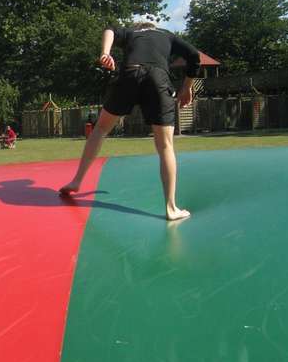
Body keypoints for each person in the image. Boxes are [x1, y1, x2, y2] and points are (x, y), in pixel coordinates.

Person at [59, 22, 200, 221]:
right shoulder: (166, 34)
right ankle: (171, 208)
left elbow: (109, 29)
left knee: (100, 129)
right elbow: (194, 55)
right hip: (157, 79)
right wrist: (186, 87)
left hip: (129, 74)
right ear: (154, 27)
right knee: (165, 146)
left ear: (139, 26)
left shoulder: (131, 32)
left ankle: (76, 181)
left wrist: (105, 54)